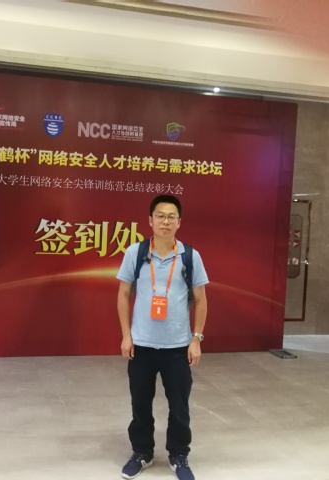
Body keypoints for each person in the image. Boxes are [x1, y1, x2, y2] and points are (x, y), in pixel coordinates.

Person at [116, 195, 209, 480]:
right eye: (160, 216)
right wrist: (126, 336)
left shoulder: (190, 256)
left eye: (171, 217)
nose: (165, 221)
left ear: (179, 222)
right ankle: (141, 452)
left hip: (177, 347)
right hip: (141, 346)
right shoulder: (135, 253)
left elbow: (201, 300)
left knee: (179, 406)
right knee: (140, 404)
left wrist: (196, 339)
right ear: (150, 220)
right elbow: (123, 294)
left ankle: (179, 455)